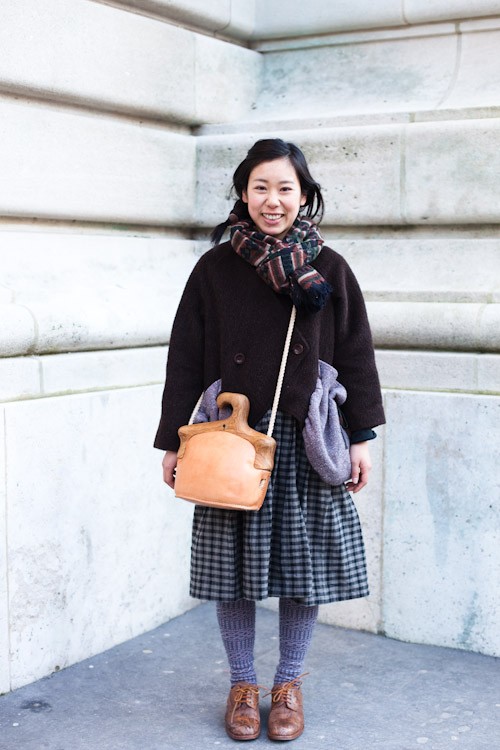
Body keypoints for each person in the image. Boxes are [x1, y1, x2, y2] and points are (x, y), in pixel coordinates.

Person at [154, 138, 385, 742]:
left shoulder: (328, 268)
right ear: (243, 193)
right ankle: (241, 684)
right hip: (232, 437)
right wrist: (173, 441)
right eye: (260, 187)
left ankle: (287, 685)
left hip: (305, 436)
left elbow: (356, 353)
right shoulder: (214, 269)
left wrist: (360, 438)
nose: (272, 200)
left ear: (304, 196)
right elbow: (185, 357)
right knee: (231, 569)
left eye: (285, 188)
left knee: (301, 569)